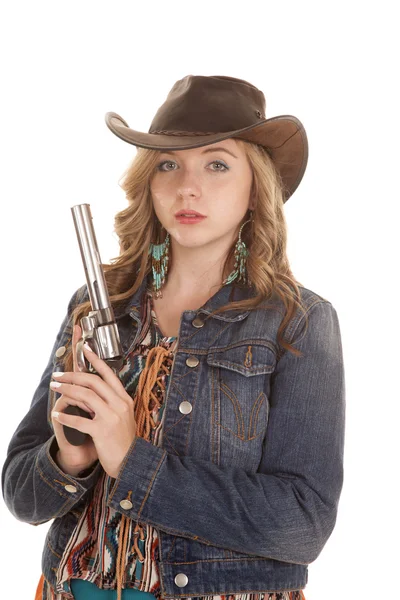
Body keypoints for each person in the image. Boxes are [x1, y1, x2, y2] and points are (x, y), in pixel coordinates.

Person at [1, 75, 345, 600]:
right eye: (169, 164)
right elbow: (22, 498)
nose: (188, 186)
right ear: (149, 183)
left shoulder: (297, 322)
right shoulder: (97, 304)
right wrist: (69, 457)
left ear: (256, 189)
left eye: (217, 164)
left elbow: (303, 523)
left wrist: (130, 461)